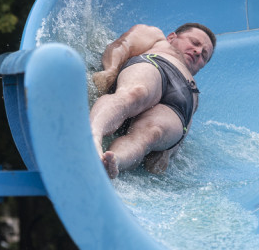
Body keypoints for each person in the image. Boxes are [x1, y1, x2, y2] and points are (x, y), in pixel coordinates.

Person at [89, 22, 216, 178]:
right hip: (157, 65)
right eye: (194, 43)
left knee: (152, 133)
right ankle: (93, 137)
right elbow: (121, 46)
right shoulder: (156, 38)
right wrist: (111, 69)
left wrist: (168, 152)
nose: (198, 51)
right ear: (171, 37)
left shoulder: (195, 95)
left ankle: (113, 161)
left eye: (204, 55)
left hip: (181, 100)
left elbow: (184, 128)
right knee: (135, 93)